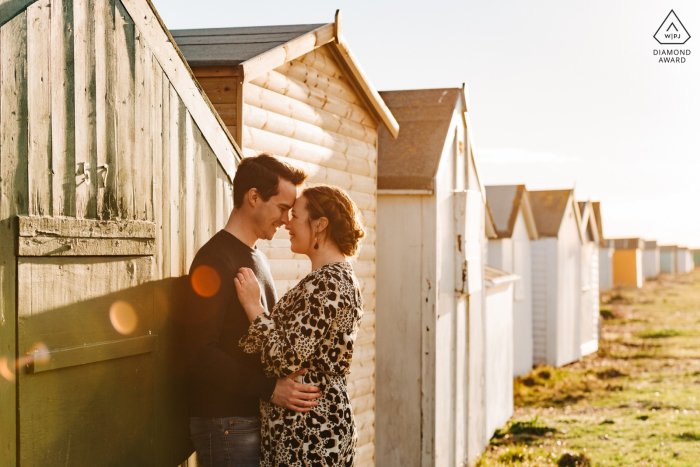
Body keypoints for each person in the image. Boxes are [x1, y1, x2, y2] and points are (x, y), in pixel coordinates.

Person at [185, 154, 322, 467]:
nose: (287, 219)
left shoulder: (257, 258)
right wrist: (270, 389)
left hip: (248, 421)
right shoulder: (215, 260)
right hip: (226, 424)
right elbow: (199, 353)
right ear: (254, 197)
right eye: (282, 208)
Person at [235, 185, 365, 467]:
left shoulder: (328, 283)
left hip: (310, 434)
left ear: (320, 225)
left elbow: (287, 358)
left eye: (295, 216)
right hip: (308, 427)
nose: (287, 223)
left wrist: (253, 306)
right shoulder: (329, 279)